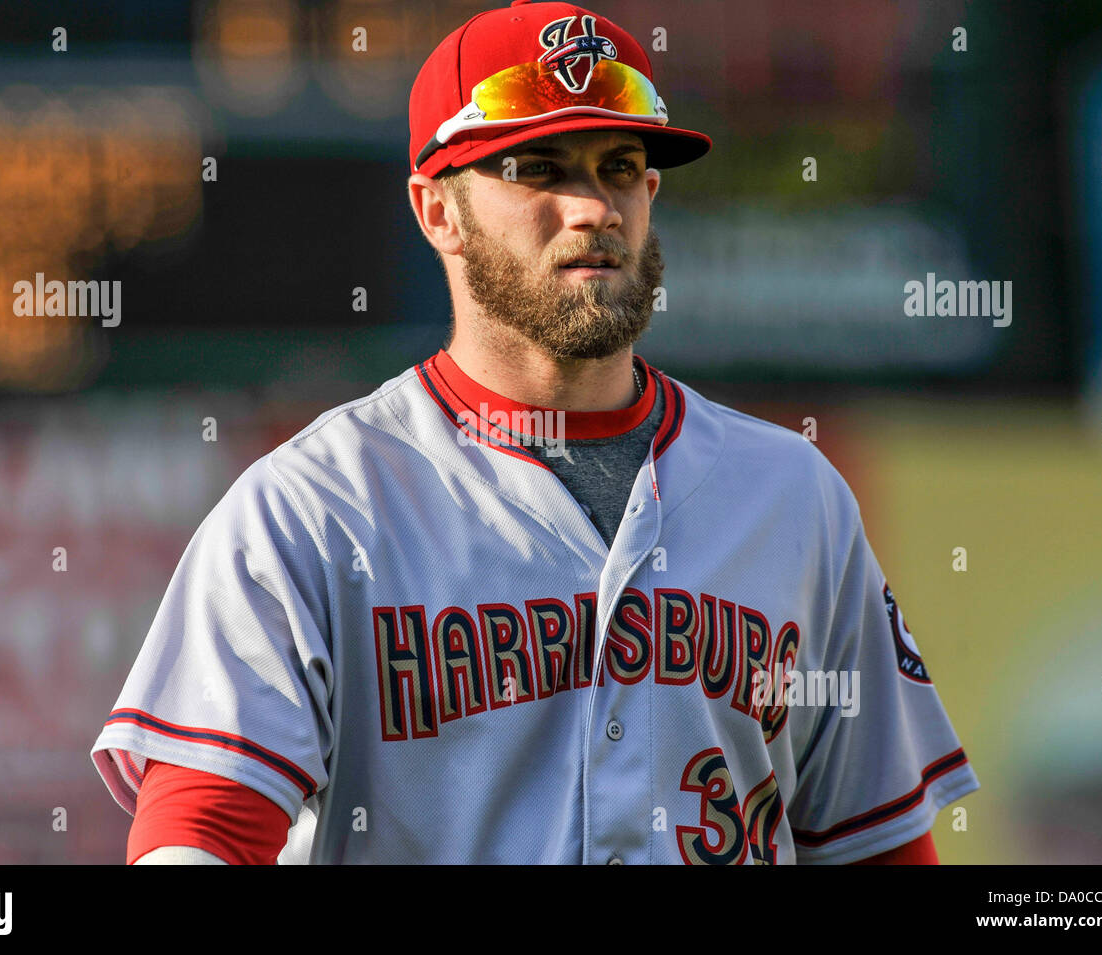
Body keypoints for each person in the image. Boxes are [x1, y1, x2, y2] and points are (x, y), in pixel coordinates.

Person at [92, 0, 977, 865]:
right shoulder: (315, 509)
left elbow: (880, 841)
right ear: (437, 209)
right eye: (538, 168)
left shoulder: (793, 496)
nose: (592, 207)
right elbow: (199, 828)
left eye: (620, 166)